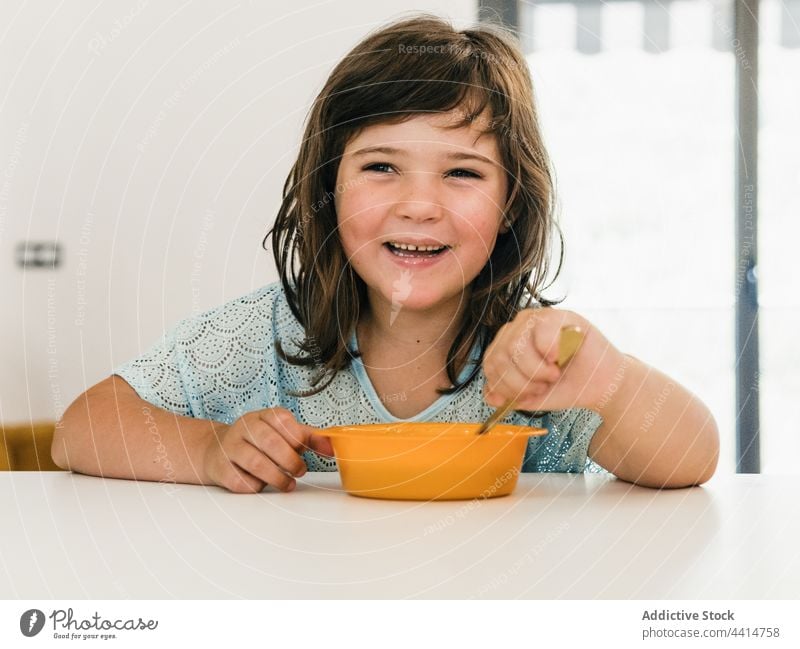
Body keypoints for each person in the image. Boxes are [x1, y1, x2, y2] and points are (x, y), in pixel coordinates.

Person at [53, 14, 719, 493]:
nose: (420, 204)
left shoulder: (536, 366)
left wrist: (614, 384)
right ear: (329, 189)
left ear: (512, 201)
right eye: (380, 167)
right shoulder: (268, 337)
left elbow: (695, 456)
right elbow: (81, 427)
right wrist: (207, 449)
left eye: (462, 173)